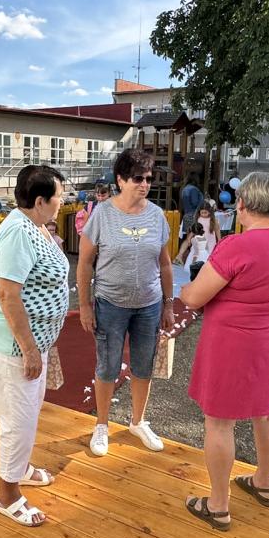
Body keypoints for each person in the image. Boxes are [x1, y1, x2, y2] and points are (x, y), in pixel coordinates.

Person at [178, 171, 269, 530]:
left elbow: (195, 296)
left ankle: (218, 505)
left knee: (220, 421)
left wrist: (184, 292)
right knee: (267, 411)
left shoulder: (238, 245)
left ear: (243, 204)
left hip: (234, 342)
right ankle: (265, 482)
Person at [0, 165, 70, 527]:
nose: (64, 201)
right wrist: (30, 348)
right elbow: (7, 295)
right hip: (14, 344)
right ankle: (8, 495)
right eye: (59, 196)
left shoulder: (37, 226)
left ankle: (20, 468)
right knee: (17, 421)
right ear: (41, 201)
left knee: (28, 413)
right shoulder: (18, 231)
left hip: (30, 340)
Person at [77, 148, 174, 456]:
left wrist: (169, 304)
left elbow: (165, 264)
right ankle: (102, 425)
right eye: (137, 178)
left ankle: (138, 421)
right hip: (110, 304)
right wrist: (85, 305)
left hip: (149, 305)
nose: (144, 184)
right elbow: (84, 263)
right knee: (107, 367)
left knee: (144, 366)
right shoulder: (102, 215)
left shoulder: (156, 215)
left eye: (148, 179)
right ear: (120, 180)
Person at [179, 176, 205, 240]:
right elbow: (194, 202)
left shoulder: (184, 189)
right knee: (195, 237)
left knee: (188, 237)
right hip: (194, 215)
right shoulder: (193, 189)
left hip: (187, 215)